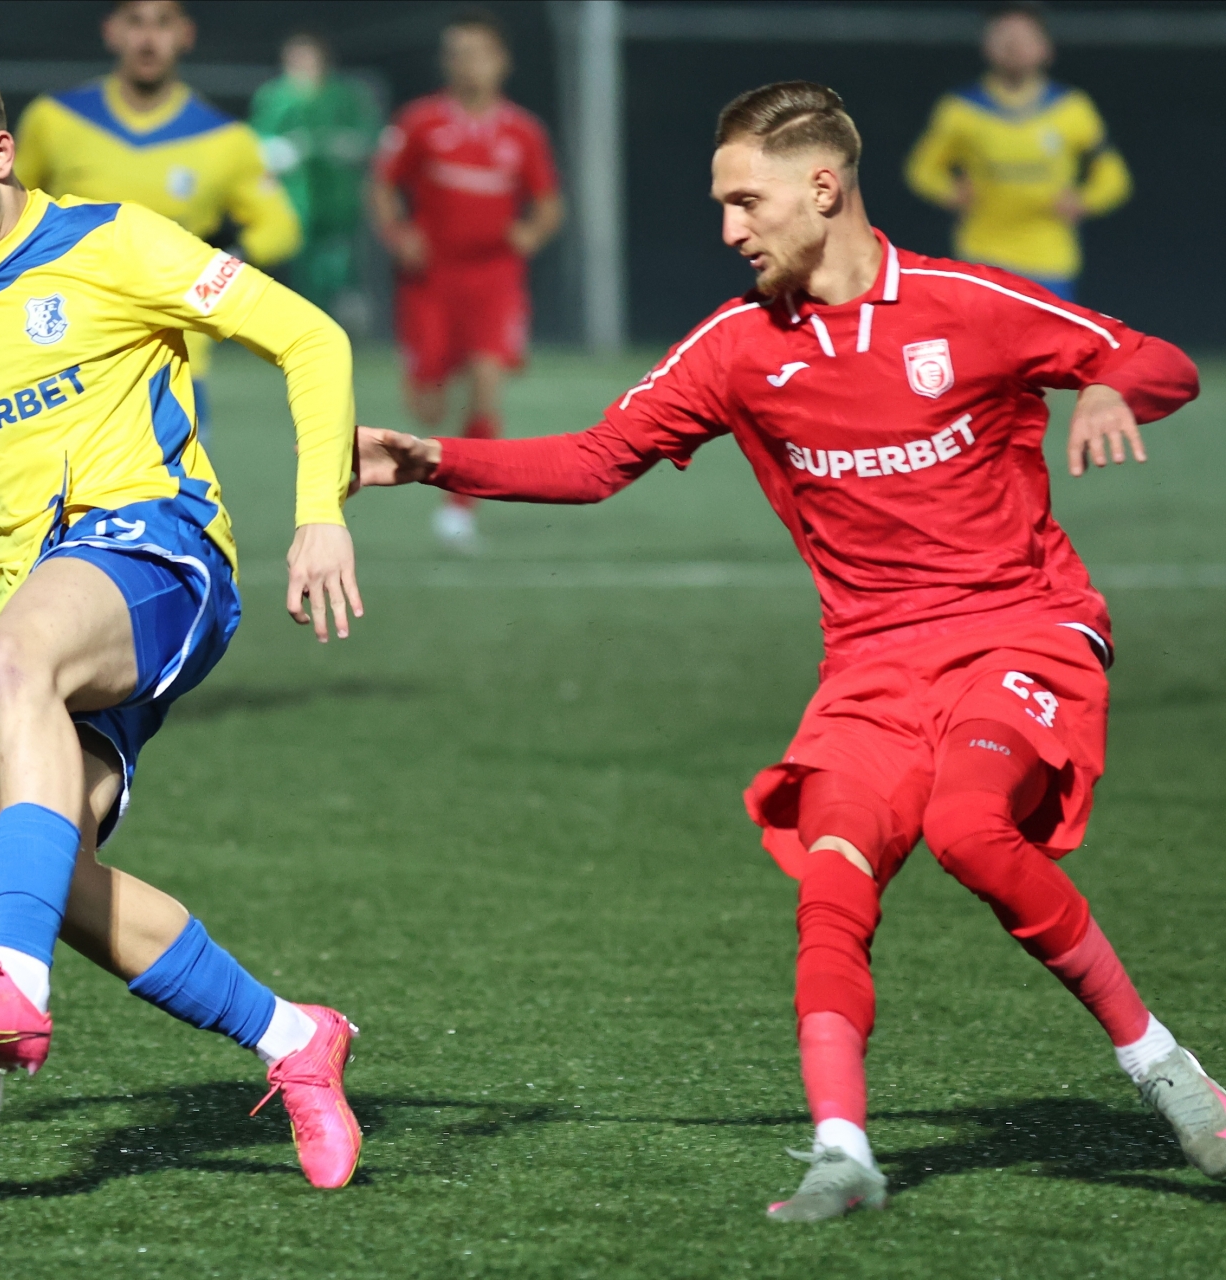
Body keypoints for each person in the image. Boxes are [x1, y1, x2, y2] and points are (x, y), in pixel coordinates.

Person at [357, 81, 1220, 1221]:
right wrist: (434, 461)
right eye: (722, 206)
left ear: (823, 187)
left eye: (744, 202)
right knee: (833, 880)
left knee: (970, 828)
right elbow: (600, 459)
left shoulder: (970, 303)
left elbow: (1162, 362)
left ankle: (1166, 1070)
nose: (728, 230)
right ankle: (843, 1152)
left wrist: (1107, 389)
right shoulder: (736, 346)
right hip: (869, 667)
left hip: (1019, 630)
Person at [0, 52, 365, 1188]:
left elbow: (311, 338)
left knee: (11, 653)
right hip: (50, 599)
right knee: (50, 874)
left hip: (159, 549)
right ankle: (294, 1039)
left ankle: (13, 989)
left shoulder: (115, 243)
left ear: (0, 153)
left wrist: (318, 513)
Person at [14, 0, 303, 437]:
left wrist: (223, 267)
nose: (148, 39)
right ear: (111, 31)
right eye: (135, 22)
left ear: (185, 34)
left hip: (176, 362)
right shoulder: (53, 120)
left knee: (174, 481)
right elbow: (9, 210)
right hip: (65, 356)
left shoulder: (225, 139)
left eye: (163, 24)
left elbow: (281, 227)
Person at [368, 10, 564, 553]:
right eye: (456, 53)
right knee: (427, 408)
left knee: (484, 383)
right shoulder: (420, 122)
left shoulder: (522, 131)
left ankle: (458, 510)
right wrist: (399, 234)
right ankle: (431, 409)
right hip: (430, 279)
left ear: (502, 62)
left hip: (493, 278)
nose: (467, 64)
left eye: (478, 53)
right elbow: (382, 186)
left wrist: (531, 232)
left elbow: (549, 204)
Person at [905, 4, 1131, 302]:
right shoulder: (961, 110)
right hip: (983, 254)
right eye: (1003, 36)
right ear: (987, 45)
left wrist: (1082, 201)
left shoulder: (1072, 109)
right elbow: (921, 169)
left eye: (1024, 37)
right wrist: (950, 192)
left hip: (1049, 258)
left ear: (1045, 48)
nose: (1013, 45)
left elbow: (1115, 177)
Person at [250, 31, 379, 319]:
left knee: (337, 263)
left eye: (308, 58)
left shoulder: (343, 96)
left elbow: (366, 138)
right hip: (290, 201)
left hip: (336, 201)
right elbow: (254, 142)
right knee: (294, 267)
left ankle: (342, 313)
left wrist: (347, 145)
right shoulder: (274, 97)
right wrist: (277, 151)